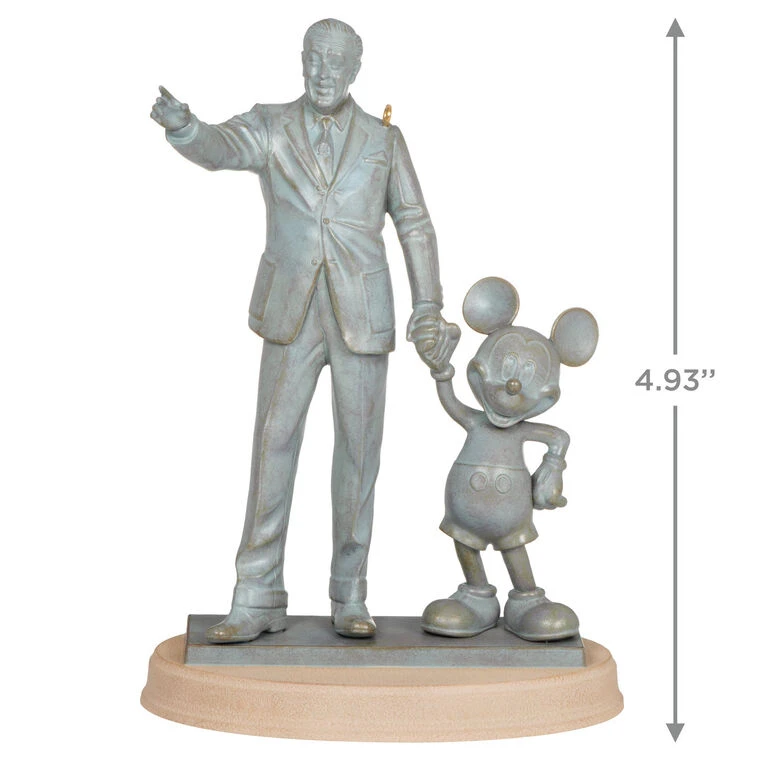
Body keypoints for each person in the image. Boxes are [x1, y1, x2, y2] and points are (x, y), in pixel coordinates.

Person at [150, 18, 450, 642]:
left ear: (356, 70)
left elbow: (415, 222)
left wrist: (429, 305)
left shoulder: (385, 139)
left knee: (359, 455)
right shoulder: (271, 124)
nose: (323, 72)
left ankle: (350, 593)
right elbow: (221, 147)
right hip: (291, 309)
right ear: (302, 59)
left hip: (362, 312)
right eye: (314, 58)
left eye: (336, 62)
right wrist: (186, 128)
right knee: (273, 443)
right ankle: (256, 595)